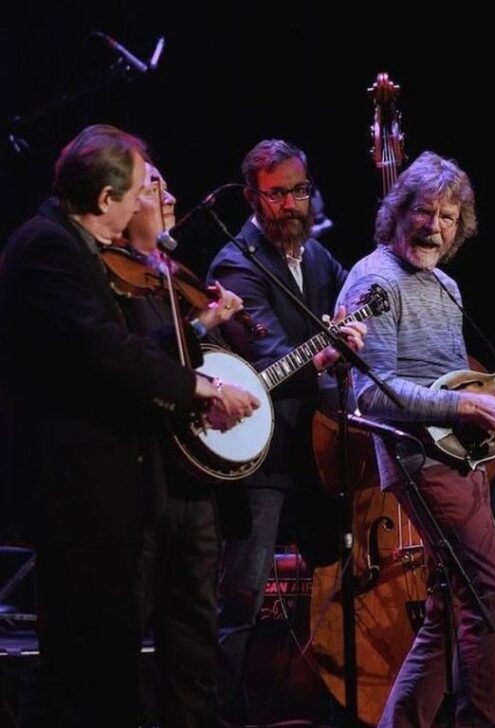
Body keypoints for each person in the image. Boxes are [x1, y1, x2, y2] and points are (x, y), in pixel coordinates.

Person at [0, 124, 259, 727]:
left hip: (98, 492)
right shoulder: (48, 247)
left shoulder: (68, 246)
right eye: (141, 189)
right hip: (76, 490)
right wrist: (201, 385)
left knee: (95, 671)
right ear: (105, 199)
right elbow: (107, 352)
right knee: (82, 671)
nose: (150, 200)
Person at [338, 150, 495, 727]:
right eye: (423, 211)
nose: (435, 227)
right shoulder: (373, 278)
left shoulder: (446, 284)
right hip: (418, 459)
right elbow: (369, 393)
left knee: (451, 607)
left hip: (464, 458)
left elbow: (464, 385)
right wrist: (467, 403)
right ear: (397, 214)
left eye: (449, 217)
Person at [206, 138, 366, 726]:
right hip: (266, 462)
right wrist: (327, 353)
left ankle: (334, 706)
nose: (293, 205)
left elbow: (357, 294)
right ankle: (221, 716)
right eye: (278, 194)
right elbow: (269, 354)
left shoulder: (318, 259)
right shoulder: (235, 264)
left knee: (338, 588)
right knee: (241, 601)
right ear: (252, 196)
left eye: (300, 191)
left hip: (319, 452)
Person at [120, 161, 248, 728]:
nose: (170, 195)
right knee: (126, 630)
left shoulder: (174, 276)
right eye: (153, 187)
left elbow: (219, 368)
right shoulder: (113, 280)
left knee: (195, 637)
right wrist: (200, 327)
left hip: (194, 482)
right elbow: (135, 363)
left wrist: (215, 323)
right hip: (140, 483)